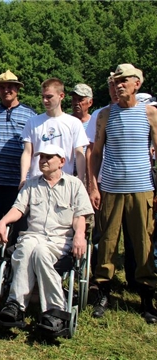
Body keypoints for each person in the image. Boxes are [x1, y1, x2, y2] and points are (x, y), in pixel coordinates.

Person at [0, 144, 93, 335]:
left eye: (49, 157)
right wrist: (3, 221)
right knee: (26, 247)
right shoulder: (31, 183)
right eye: (41, 158)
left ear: (62, 162)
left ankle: (55, 310)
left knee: (39, 252)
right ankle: (15, 305)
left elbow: (81, 216)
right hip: (33, 235)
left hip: (59, 240)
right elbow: (19, 208)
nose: (43, 161)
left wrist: (79, 235)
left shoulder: (74, 185)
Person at [89, 64, 157, 324]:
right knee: (107, 242)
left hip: (142, 188)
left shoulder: (150, 113)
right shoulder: (106, 115)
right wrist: (94, 186)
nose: (118, 84)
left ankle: (146, 299)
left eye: (124, 80)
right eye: (116, 81)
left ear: (137, 84)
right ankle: (103, 293)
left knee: (143, 243)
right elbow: (95, 154)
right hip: (111, 188)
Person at [0, 70, 36, 283]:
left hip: (17, 184)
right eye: (2, 87)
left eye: (10, 86)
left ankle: (11, 267)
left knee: (16, 228)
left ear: (18, 89)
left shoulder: (30, 115)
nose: (6, 90)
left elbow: (33, 148)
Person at [20, 78, 88, 186]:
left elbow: (79, 154)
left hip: (64, 182)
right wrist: (23, 178)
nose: (45, 100)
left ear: (61, 96)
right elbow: (27, 152)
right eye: (43, 97)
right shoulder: (32, 122)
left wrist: (80, 181)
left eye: (49, 97)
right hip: (37, 182)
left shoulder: (73, 123)